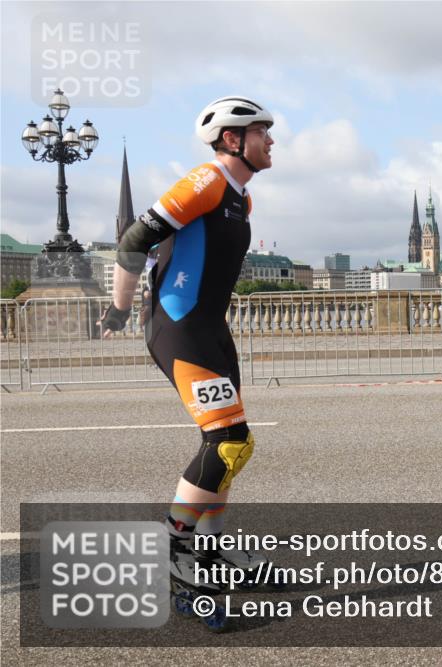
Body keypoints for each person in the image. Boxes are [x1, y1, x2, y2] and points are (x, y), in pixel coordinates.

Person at [98, 96, 275, 592]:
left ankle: (212, 550)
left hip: (210, 329)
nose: (272, 140)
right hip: (178, 328)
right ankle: (173, 545)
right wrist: (119, 308)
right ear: (232, 139)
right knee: (229, 443)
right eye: (263, 132)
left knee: (227, 445)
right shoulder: (207, 181)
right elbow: (133, 240)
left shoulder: (242, 195)